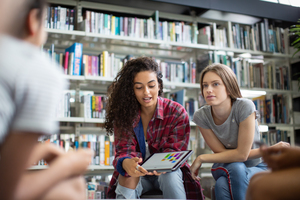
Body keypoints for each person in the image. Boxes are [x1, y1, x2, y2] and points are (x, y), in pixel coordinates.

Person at [0, 0, 93, 199]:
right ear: (33, 21)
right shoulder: (36, 69)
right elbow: (6, 192)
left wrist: (41, 151)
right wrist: (68, 166)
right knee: (74, 187)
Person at [104, 56, 204, 199]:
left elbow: (175, 151)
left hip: (166, 175)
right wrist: (127, 163)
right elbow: (124, 150)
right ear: (131, 90)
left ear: (159, 85)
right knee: (128, 175)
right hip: (140, 175)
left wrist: (162, 165)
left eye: (151, 86)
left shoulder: (176, 112)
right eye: (139, 87)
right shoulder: (124, 115)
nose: (146, 92)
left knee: (168, 175)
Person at [189, 63, 289, 200]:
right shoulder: (201, 116)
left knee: (222, 185)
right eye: (205, 85)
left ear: (229, 88)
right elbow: (223, 154)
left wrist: (201, 158)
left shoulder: (244, 107)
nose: (208, 90)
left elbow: (242, 155)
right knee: (236, 167)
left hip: (257, 165)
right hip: (226, 165)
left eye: (215, 84)